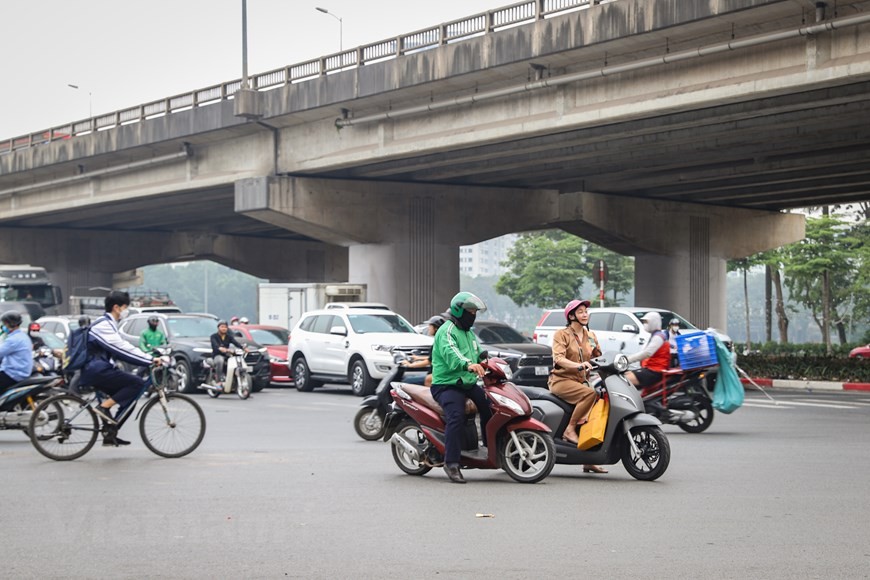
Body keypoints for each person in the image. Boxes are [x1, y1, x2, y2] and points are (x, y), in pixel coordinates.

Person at [79, 291, 161, 446]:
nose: (127, 310)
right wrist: (149, 360)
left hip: (99, 369)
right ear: (116, 307)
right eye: (125, 307)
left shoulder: (110, 324)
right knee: (136, 384)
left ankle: (110, 433)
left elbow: (122, 349)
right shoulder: (103, 325)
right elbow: (122, 348)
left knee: (129, 397)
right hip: (97, 370)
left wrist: (145, 358)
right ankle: (104, 407)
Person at [429, 292, 493, 484]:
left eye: (475, 312)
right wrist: (468, 364)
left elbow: (478, 351)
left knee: (490, 406)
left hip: (467, 383)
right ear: (459, 310)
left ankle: (491, 449)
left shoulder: (468, 332)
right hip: (447, 384)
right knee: (455, 416)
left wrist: (488, 360)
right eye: (470, 311)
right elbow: (452, 354)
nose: (473, 315)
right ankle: (452, 463)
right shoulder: (447, 331)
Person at [548, 299, 608, 474]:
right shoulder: (562, 334)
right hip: (561, 380)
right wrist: (577, 366)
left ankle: (588, 460)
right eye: (580, 311)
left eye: (586, 311)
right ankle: (570, 429)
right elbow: (558, 358)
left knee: (598, 405)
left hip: (581, 381)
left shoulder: (591, 336)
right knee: (589, 394)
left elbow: (598, 357)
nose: (585, 314)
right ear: (571, 315)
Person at [624, 311, 670, 388]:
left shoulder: (659, 337)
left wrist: (626, 360)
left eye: (646, 322)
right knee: (622, 375)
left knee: (622, 380)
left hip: (654, 372)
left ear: (654, 322)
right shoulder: (654, 335)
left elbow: (646, 353)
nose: (644, 324)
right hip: (649, 369)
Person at [0, 311, 34, 393]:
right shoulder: (23, 336)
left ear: (10, 324)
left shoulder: (13, 339)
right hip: (22, 372)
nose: (3, 326)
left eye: (4, 324)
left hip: (13, 374)